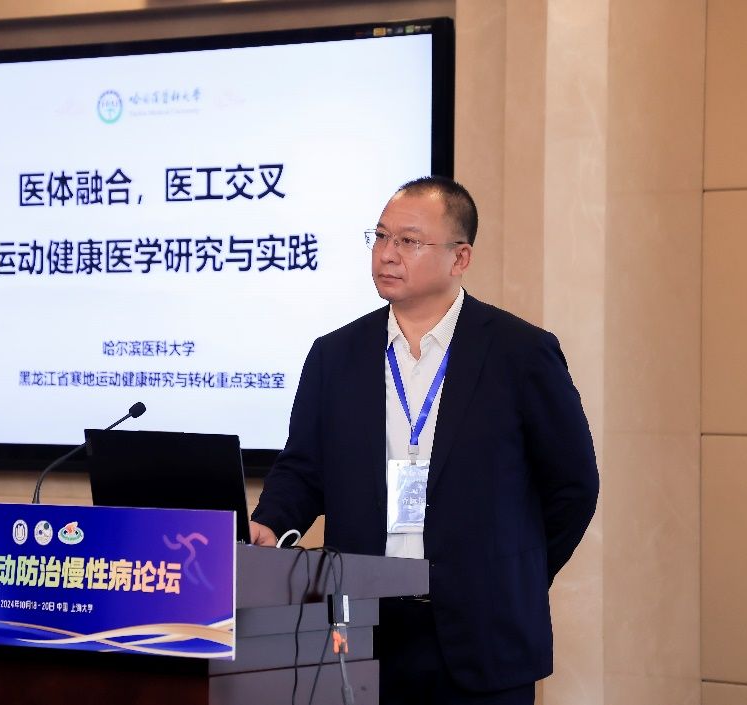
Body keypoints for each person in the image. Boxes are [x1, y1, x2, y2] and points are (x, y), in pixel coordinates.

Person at [250, 177, 599, 705]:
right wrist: (272, 522)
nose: (387, 254)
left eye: (409, 241)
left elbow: (573, 486)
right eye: (380, 237)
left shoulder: (521, 353)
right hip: (362, 630)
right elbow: (303, 467)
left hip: (484, 634)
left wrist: (514, 572)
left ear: (460, 258)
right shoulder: (335, 355)